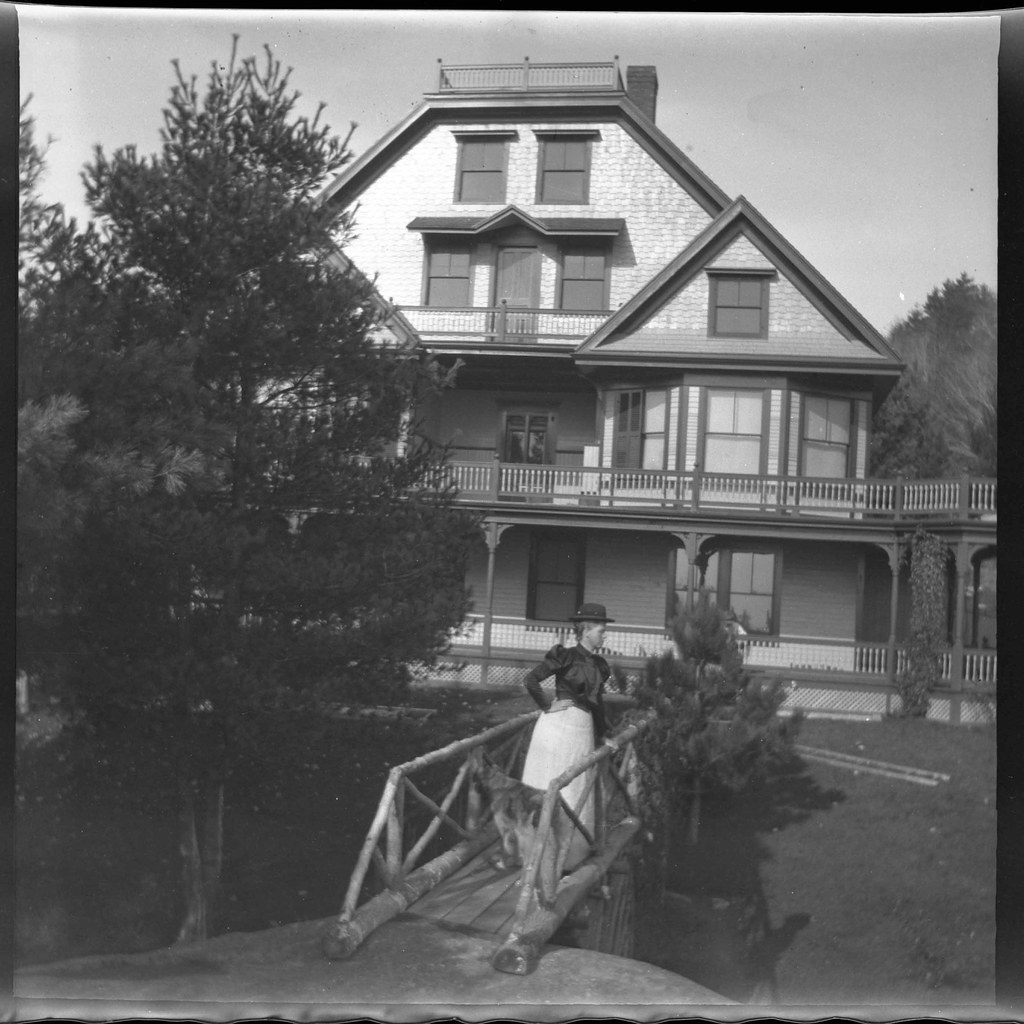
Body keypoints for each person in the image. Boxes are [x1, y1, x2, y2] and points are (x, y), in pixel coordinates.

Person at [521, 602, 615, 870]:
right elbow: (531, 680)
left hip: (581, 731)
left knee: (574, 790)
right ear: (585, 630)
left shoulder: (598, 664)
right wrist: (547, 705)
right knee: (547, 785)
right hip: (556, 730)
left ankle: (567, 859)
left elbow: (596, 703)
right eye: (600, 630)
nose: (604, 635)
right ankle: (535, 857)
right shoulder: (565, 656)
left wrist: (602, 736)